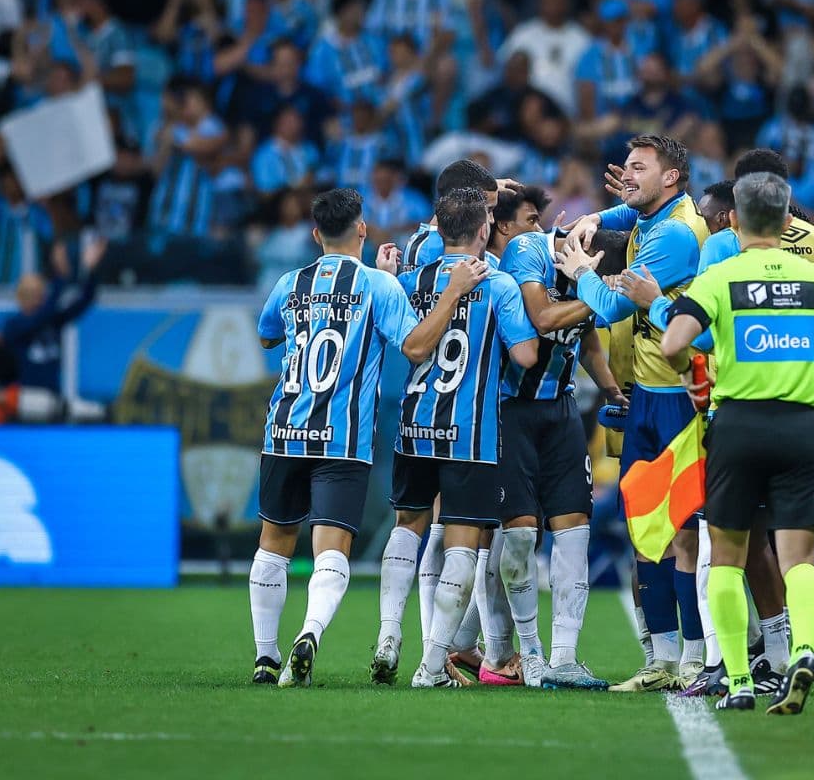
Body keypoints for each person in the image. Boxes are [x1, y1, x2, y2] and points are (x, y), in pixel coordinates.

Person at [248, 188, 487, 687]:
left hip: (284, 432)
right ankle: (310, 631)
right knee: (330, 551)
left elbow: (267, 333)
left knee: (273, 545)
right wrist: (451, 295)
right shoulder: (378, 285)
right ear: (362, 228)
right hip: (341, 438)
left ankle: (266, 656)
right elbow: (417, 346)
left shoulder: (290, 282)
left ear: (316, 235)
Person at [661, 171, 814, 713]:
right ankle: (801, 650)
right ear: (789, 218)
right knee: (799, 559)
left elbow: (674, 342)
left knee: (725, 557)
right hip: (802, 429)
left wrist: (691, 374)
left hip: (738, 427)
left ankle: (742, 683)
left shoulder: (721, 277)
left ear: (733, 220)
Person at [558, 134, 709, 692]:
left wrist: (580, 269)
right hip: (646, 395)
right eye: (625, 167)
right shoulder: (654, 213)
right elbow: (622, 208)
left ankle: (695, 656)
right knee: (646, 532)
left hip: (680, 400)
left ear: (670, 179)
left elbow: (612, 306)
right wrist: (590, 219)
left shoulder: (673, 235)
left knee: (683, 535)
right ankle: (663, 661)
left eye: (639, 168)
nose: (626, 174)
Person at [379, 187, 538, 689]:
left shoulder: (409, 279)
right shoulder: (500, 284)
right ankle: (431, 667)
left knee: (407, 526)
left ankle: (388, 635)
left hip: (414, 425)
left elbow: (404, 339)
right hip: (470, 431)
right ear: (485, 229)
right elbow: (528, 356)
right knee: (463, 545)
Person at [493, 204, 627, 690]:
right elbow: (545, 318)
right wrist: (599, 293)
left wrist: (612, 390)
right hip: (509, 409)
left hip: (560, 409)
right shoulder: (528, 250)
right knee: (522, 536)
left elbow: (585, 336)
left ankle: (565, 658)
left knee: (575, 529)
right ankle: (529, 653)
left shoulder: (587, 276)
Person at [3, 239, 105, 394]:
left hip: (52, 393)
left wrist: (90, 270)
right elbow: (39, 319)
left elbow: (86, 299)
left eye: (40, 294)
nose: (37, 299)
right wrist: (61, 274)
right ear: (19, 297)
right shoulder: (14, 325)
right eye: (30, 294)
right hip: (23, 395)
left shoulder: (53, 321)